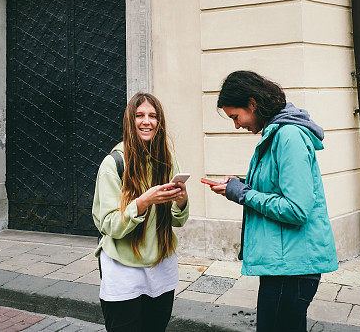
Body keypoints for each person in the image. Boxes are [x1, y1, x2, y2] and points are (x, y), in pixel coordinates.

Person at [208, 70, 338, 332]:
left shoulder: (288, 137)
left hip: (291, 269)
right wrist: (240, 184)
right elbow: (276, 185)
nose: (236, 125)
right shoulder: (278, 134)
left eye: (236, 116)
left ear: (253, 104)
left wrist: (243, 193)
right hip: (286, 264)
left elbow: (297, 209)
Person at [93, 92, 189, 332]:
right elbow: (108, 224)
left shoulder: (167, 160)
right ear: (130, 121)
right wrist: (142, 202)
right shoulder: (113, 164)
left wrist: (181, 201)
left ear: (159, 122)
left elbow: (178, 221)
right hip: (123, 267)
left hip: (160, 263)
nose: (147, 121)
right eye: (140, 115)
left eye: (153, 116)